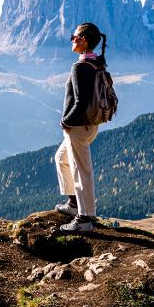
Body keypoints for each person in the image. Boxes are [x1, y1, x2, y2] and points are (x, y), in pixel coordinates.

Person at [54, 22, 107, 232]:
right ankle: (74, 204)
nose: (71, 40)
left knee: (81, 170)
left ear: (82, 40)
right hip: (90, 125)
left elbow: (81, 100)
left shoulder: (79, 66)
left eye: (73, 37)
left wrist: (66, 120)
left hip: (77, 127)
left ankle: (85, 218)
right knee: (61, 158)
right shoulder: (96, 63)